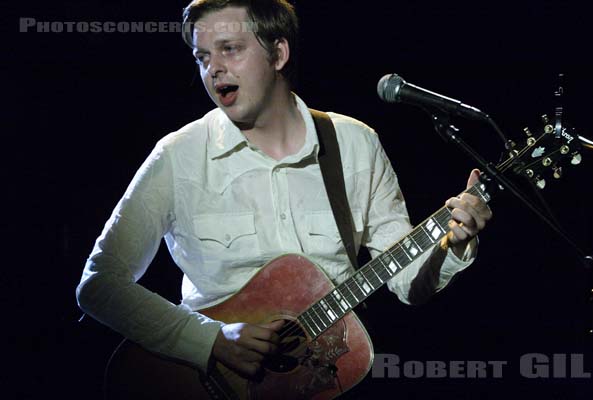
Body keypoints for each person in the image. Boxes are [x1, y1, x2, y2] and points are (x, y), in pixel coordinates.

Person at [76, 0, 492, 395]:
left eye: (230, 49)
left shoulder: (354, 145)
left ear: (278, 54)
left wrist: (451, 243)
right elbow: (99, 285)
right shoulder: (178, 156)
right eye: (202, 57)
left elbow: (406, 283)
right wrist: (212, 340)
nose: (214, 68)